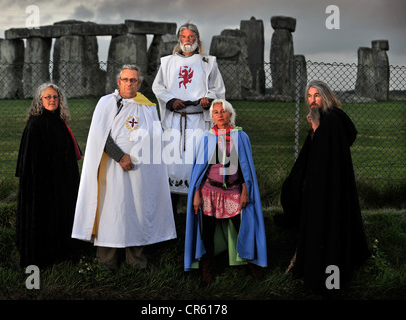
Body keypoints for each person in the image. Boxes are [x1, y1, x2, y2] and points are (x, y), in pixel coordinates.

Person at [72, 65, 176, 269]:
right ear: (118, 82)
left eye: (134, 80)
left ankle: (136, 263)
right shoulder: (108, 103)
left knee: (136, 212)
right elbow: (100, 135)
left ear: (139, 83)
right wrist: (120, 156)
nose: (130, 83)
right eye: (126, 79)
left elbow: (155, 139)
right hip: (112, 171)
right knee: (111, 212)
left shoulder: (147, 106)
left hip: (140, 173)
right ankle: (106, 264)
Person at [277, 80, 370, 292]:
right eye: (309, 96)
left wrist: (317, 129)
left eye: (316, 96)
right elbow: (312, 154)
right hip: (318, 184)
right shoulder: (320, 118)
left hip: (332, 187)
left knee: (331, 230)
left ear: (326, 96)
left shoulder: (334, 118)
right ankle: (315, 275)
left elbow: (330, 152)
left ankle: (332, 283)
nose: (312, 100)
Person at [184, 99, 267, 283]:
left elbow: (246, 167)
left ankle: (253, 266)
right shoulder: (207, 137)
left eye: (223, 111)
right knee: (207, 232)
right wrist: (196, 193)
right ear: (212, 116)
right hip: (209, 191)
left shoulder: (241, 137)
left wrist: (246, 190)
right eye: (216, 112)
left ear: (230, 114)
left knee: (243, 227)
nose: (220, 115)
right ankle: (207, 270)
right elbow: (199, 169)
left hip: (234, 191)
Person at [152, 23, 226, 214]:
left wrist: (208, 99)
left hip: (198, 121)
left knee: (198, 162)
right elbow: (158, 87)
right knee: (173, 165)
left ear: (197, 39)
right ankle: (170, 215)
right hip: (175, 122)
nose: (188, 40)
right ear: (179, 39)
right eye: (184, 37)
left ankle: (199, 211)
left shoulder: (208, 62)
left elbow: (218, 89)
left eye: (192, 36)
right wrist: (171, 100)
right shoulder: (167, 62)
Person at [16, 83, 82, 268]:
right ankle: (42, 260)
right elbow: (31, 161)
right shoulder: (35, 124)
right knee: (43, 221)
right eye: (48, 97)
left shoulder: (59, 121)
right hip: (42, 184)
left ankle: (63, 255)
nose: (52, 100)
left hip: (61, 182)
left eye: (55, 97)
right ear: (40, 100)